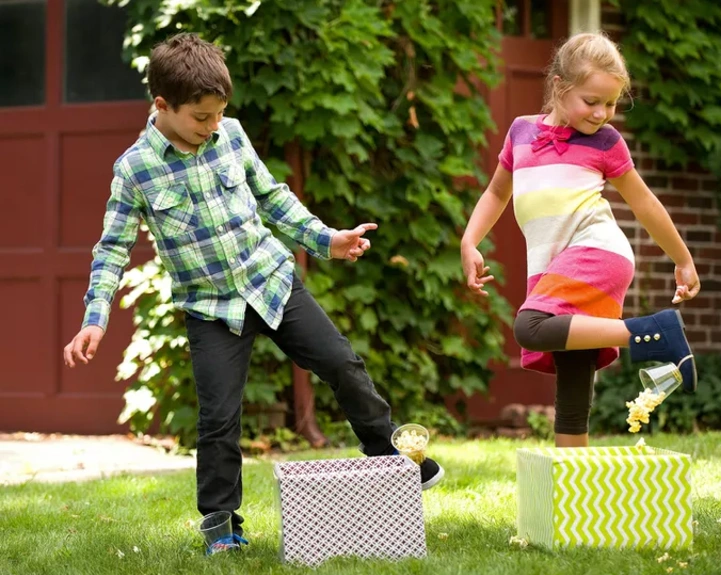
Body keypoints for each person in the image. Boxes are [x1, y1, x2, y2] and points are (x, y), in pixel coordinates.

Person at [62, 33, 444, 553]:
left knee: (343, 364)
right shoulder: (135, 170)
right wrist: (95, 317)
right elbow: (111, 249)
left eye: (219, 114)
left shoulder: (233, 136)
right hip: (211, 309)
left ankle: (389, 453)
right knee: (218, 417)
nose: (211, 125)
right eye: (200, 117)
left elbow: (273, 198)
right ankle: (222, 523)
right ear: (162, 106)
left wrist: (326, 239)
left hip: (271, 282)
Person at [460, 32, 701, 448]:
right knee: (573, 373)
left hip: (597, 251)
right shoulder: (521, 132)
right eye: (592, 101)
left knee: (530, 326)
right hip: (556, 264)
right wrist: (469, 241)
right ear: (559, 87)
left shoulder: (605, 142)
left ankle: (653, 332)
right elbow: (497, 192)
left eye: (610, 103)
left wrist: (682, 258)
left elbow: (644, 203)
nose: (603, 113)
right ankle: (572, 486)